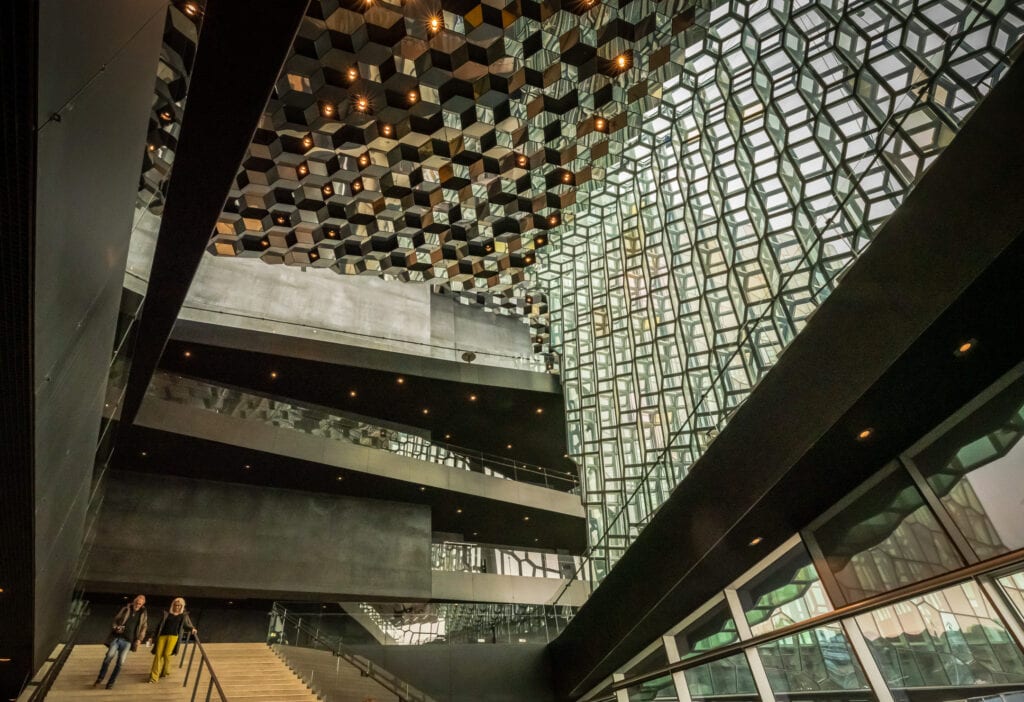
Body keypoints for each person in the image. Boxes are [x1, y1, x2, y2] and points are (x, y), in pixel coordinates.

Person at [94, 594, 148, 689]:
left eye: (140, 604)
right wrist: (116, 627)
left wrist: (139, 639)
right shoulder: (126, 609)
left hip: (128, 641)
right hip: (117, 638)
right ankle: (100, 678)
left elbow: (144, 627)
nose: (137, 605)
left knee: (120, 663)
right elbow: (115, 620)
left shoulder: (143, 614)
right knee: (108, 657)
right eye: (136, 602)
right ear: (134, 601)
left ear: (142, 604)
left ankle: (111, 682)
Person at [149, 597, 197, 683]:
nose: (177, 607)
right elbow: (159, 626)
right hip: (162, 636)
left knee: (167, 654)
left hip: (174, 637)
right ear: (173, 605)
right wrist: (153, 636)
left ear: (182, 606)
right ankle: (153, 677)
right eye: (175, 605)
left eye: (179, 605)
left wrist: (192, 629)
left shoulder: (183, 615)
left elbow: (187, 625)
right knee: (158, 655)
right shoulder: (167, 614)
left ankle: (165, 671)